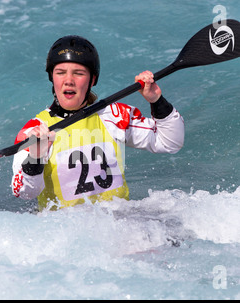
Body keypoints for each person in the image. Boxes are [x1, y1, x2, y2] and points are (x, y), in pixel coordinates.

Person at [11, 35, 184, 211]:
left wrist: (156, 100)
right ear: (52, 77)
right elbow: (24, 193)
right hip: (65, 232)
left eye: (78, 73)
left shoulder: (114, 115)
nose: (68, 80)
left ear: (92, 80)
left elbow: (170, 142)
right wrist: (36, 157)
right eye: (60, 72)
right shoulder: (34, 130)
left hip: (119, 225)